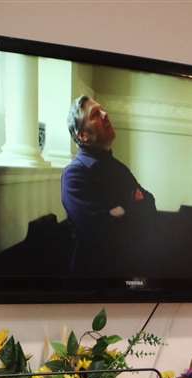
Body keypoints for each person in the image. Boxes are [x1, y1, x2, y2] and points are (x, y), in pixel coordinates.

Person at [60, 95, 157, 274]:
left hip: (129, 275)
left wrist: (119, 210)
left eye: (102, 109)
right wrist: (132, 205)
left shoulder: (120, 168)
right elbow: (100, 231)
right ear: (83, 135)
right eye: (95, 114)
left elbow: (150, 204)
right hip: (93, 282)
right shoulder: (74, 175)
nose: (105, 114)